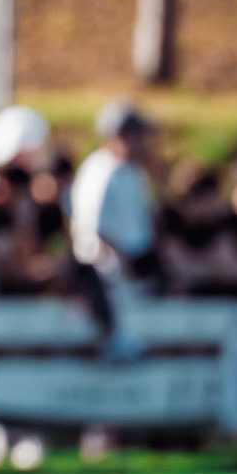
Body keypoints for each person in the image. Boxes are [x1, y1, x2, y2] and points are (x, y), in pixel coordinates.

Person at [70, 99, 160, 343]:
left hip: (135, 272)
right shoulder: (101, 171)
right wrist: (126, 268)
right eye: (136, 135)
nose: (142, 142)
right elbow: (95, 232)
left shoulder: (134, 171)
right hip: (108, 278)